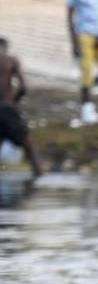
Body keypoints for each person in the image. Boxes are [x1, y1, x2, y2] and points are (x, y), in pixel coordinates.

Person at [0, 38, 42, 179]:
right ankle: (38, 178)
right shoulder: (10, 60)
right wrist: (13, 101)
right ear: (5, 48)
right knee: (29, 148)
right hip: (8, 110)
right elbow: (24, 87)